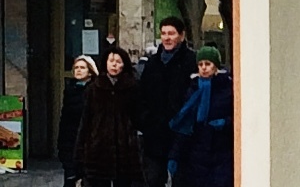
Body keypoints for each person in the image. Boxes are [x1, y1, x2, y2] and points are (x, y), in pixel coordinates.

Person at [135, 18, 197, 187]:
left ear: (181, 36)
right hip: (154, 134)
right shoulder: (152, 63)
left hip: (182, 133)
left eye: (171, 33)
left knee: (182, 180)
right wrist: (145, 120)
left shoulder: (191, 61)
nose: (167, 38)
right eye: (163, 33)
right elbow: (142, 95)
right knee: (153, 179)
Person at [75, 46, 141, 187]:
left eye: (118, 61)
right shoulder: (94, 88)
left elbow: (138, 117)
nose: (114, 64)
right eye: (111, 61)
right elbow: (85, 121)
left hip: (125, 151)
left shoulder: (132, 87)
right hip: (98, 150)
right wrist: (80, 154)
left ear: (124, 64)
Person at [166, 48, 232, 187]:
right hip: (196, 154)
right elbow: (184, 124)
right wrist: (174, 156)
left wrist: (226, 122)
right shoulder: (193, 89)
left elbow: (238, 118)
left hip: (221, 152)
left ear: (215, 66)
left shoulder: (227, 89)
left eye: (207, 64)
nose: (204, 68)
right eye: (200, 64)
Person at [58, 54, 97, 186]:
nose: (79, 70)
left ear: (90, 72)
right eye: (76, 68)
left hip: (89, 145)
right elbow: (65, 121)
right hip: (70, 141)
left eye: (83, 68)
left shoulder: (95, 91)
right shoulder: (70, 90)